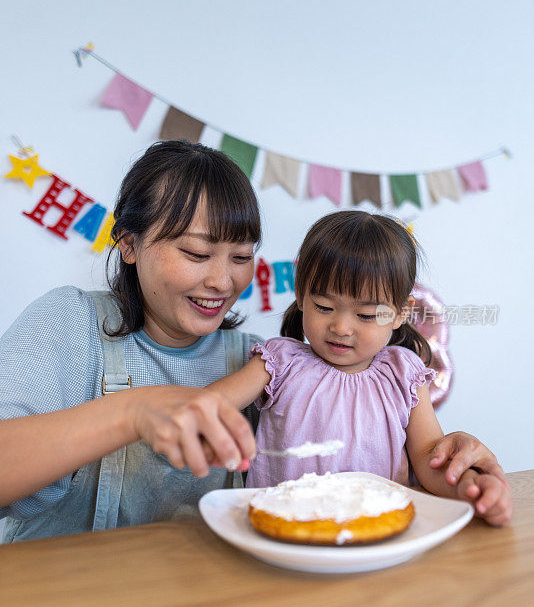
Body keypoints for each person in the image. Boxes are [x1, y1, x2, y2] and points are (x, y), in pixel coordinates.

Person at [0, 143, 509, 541]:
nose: (223, 281)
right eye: (198, 254)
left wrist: (456, 465)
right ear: (129, 245)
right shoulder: (71, 323)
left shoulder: (251, 359)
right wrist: (132, 412)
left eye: (242, 257)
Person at [207, 211, 512, 526]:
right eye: (324, 307)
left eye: (366, 314)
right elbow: (206, 406)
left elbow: (428, 458)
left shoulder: (403, 373)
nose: (340, 327)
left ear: (399, 313)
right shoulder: (278, 362)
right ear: (301, 296)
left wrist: (469, 486)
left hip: (379, 532)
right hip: (284, 530)